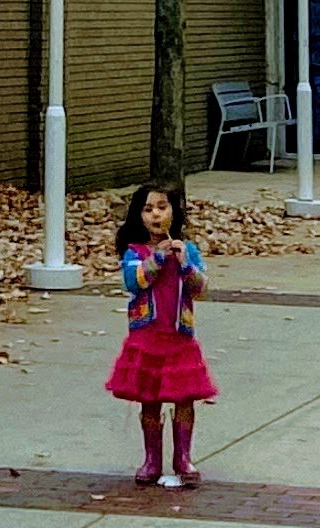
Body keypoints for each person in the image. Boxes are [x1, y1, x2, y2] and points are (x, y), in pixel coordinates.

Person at [107, 178, 216, 489]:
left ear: (173, 213)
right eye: (147, 209)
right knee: (149, 399)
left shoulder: (188, 250)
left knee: (185, 399)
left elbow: (201, 289)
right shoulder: (135, 252)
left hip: (179, 336)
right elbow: (133, 281)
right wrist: (156, 259)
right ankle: (152, 459)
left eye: (162, 207)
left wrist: (185, 265)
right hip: (147, 337)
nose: (155, 215)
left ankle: (183, 457)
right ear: (138, 217)